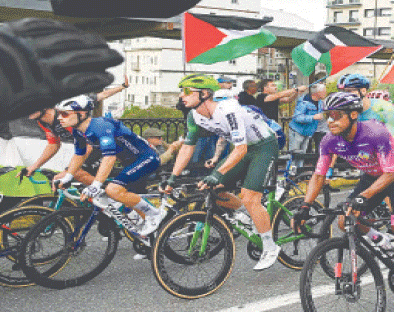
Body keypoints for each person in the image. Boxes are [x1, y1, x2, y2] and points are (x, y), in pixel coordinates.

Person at [292, 92, 394, 304]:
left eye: (336, 115)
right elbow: (319, 175)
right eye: (327, 116)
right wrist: (305, 206)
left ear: (354, 115)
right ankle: (383, 243)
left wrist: (363, 197)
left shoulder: (374, 133)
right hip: (371, 176)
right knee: (344, 220)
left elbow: (390, 174)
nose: (330, 121)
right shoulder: (329, 140)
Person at [163, 74, 282, 270]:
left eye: (185, 91)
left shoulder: (228, 110)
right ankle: (248, 215)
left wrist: (217, 173)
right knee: (210, 188)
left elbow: (241, 149)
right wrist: (172, 177)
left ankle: (270, 247)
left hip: (263, 146)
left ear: (204, 94)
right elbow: (187, 147)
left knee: (250, 196)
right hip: (241, 149)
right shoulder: (195, 116)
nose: (181, 96)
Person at [54, 95, 163, 235]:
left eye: (64, 113)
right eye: (59, 114)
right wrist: (68, 176)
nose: (59, 118)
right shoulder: (78, 130)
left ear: (81, 114)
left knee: (112, 190)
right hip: (130, 162)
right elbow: (79, 155)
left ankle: (155, 214)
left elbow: (109, 157)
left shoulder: (100, 126)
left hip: (147, 158)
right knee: (130, 203)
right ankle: (154, 241)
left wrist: (95, 185)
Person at [18, 107, 96, 185]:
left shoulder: (65, 116)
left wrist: (68, 171)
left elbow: (88, 146)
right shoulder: (43, 123)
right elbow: (53, 145)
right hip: (90, 147)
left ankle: (106, 190)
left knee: (76, 173)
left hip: (99, 145)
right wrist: (33, 167)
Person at [287, 83, 327, 164]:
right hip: (297, 132)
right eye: (324, 91)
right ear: (317, 93)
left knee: (302, 156)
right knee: (294, 156)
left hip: (307, 132)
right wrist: (312, 117)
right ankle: (290, 174)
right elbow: (297, 117)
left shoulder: (320, 103)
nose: (325, 93)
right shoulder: (304, 102)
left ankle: (299, 175)